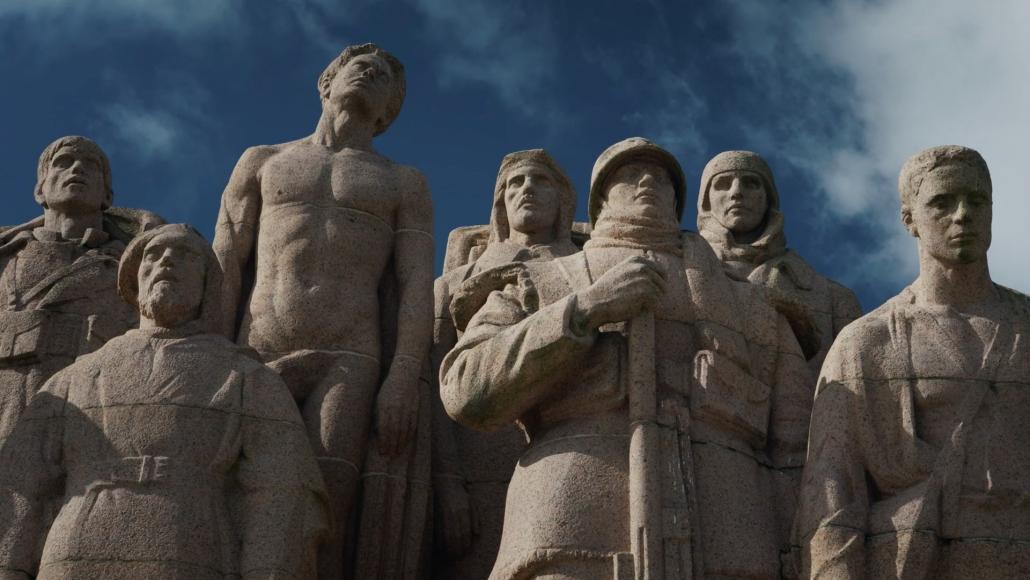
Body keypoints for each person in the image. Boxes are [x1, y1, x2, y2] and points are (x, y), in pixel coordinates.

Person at [441, 137, 811, 579]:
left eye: (663, 178)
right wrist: (582, 311)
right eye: (629, 174)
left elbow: (799, 450)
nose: (648, 182)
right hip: (570, 528)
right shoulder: (541, 281)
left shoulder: (753, 306)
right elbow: (465, 386)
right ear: (600, 200)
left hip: (733, 543)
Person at [213, 42, 433, 580]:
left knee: (330, 506)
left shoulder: (403, 182)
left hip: (350, 355)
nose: (368, 73)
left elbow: (414, 284)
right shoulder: (264, 160)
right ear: (326, 83)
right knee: (239, 489)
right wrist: (212, 352)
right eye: (358, 66)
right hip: (259, 346)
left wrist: (403, 376)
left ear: (387, 111)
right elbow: (226, 261)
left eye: (382, 76)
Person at [0, 224, 328, 580]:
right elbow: (20, 486)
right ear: (134, 280)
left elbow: (281, 490)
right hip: (74, 549)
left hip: (190, 545)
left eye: (186, 256)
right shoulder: (72, 379)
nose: (167, 260)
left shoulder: (248, 377)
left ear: (207, 285)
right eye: (153, 255)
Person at [798, 145, 1030, 578]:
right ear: (910, 220)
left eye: (976, 201)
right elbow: (831, 492)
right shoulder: (866, 342)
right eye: (942, 202)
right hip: (919, 559)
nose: (963, 215)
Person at [431, 149, 578, 579]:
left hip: (573, 448)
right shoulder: (453, 285)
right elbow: (433, 383)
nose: (526, 189)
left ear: (563, 200)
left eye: (540, 180)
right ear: (500, 203)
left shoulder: (587, 271)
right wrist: (447, 479)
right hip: (478, 456)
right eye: (515, 183)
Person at [0, 136, 161, 446]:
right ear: (39, 190)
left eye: (91, 166)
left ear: (107, 196)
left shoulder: (134, 268)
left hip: (91, 421)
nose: (77, 169)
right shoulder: (7, 255)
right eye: (64, 162)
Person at [697, 150, 861, 373]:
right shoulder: (680, 271)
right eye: (723, 184)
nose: (736, 192)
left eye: (751, 183)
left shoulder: (834, 298)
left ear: (768, 199)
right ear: (706, 202)